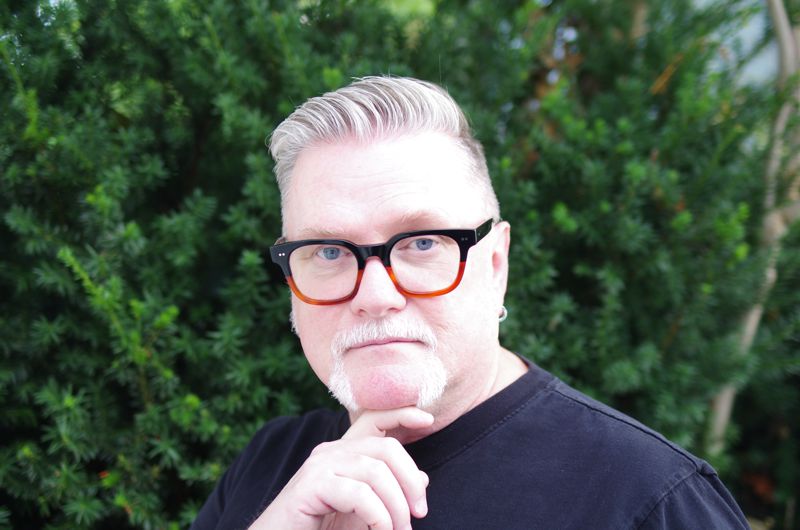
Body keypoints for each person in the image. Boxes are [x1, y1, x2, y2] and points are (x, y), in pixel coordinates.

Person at [191, 76, 749, 530]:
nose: (375, 295)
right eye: (329, 252)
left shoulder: (648, 499)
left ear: (496, 264)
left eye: (422, 243)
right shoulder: (274, 465)